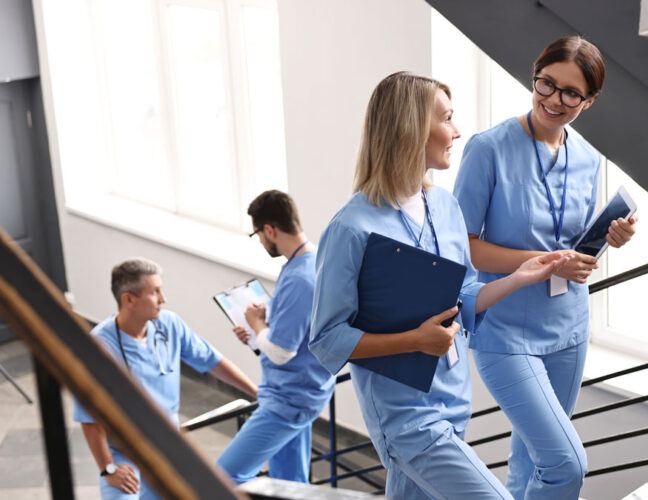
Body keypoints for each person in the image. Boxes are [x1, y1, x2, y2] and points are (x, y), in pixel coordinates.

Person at [308, 71, 568, 500]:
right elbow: (327, 339)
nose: (457, 131)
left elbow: (462, 298)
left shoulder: (445, 207)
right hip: (405, 419)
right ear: (411, 128)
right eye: (447, 119)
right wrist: (415, 340)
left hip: (453, 402)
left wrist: (518, 278)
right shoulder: (352, 229)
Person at [452, 36, 638, 500]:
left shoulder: (590, 161)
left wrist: (609, 239)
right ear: (534, 77)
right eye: (546, 84)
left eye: (571, 93)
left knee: (532, 460)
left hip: (569, 326)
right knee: (565, 464)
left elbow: (574, 246)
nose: (554, 99)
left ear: (589, 101)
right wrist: (542, 263)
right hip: (504, 329)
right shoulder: (487, 149)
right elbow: (463, 247)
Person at [73, 258, 258, 499]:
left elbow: (213, 361)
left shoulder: (169, 324)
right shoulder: (100, 347)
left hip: (168, 448)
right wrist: (108, 469)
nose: (163, 298)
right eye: (155, 292)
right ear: (129, 299)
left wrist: (257, 392)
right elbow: (89, 418)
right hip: (125, 456)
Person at [216, 190, 335, 484]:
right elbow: (301, 330)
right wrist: (258, 334)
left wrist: (258, 325)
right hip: (307, 391)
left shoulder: (298, 278)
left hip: (287, 402)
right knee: (289, 485)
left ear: (270, 229)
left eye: (258, 233)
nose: (260, 241)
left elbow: (283, 352)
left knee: (223, 477)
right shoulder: (317, 259)